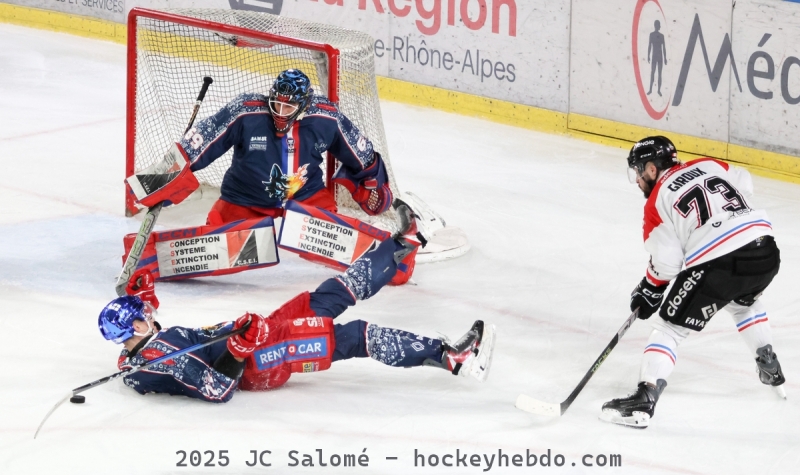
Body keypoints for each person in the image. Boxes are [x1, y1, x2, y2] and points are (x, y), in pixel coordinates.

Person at [101, 212, 495, 403]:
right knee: (354, 337)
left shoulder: (133, 356)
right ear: (135, 329)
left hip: (255, 338)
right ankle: (452, 358)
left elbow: (148, 357)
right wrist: (239, 348)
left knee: (330, 296)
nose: (150, 314)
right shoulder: (164, 357)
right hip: (261, 361)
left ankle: (406, 242)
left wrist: (143, 292)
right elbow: (217, 388)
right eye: (143, 316)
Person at [600, 136, 784, 429]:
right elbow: (744, 181)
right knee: (743, 302)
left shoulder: (657, 201)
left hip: (720, 261)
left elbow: (668, 263)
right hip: (765, 250)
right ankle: (768, 363)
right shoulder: (708, 164)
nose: (637, 180)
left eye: (638, 171)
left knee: (670, 328)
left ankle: (644, 400)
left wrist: (651, 287)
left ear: (651, 169)